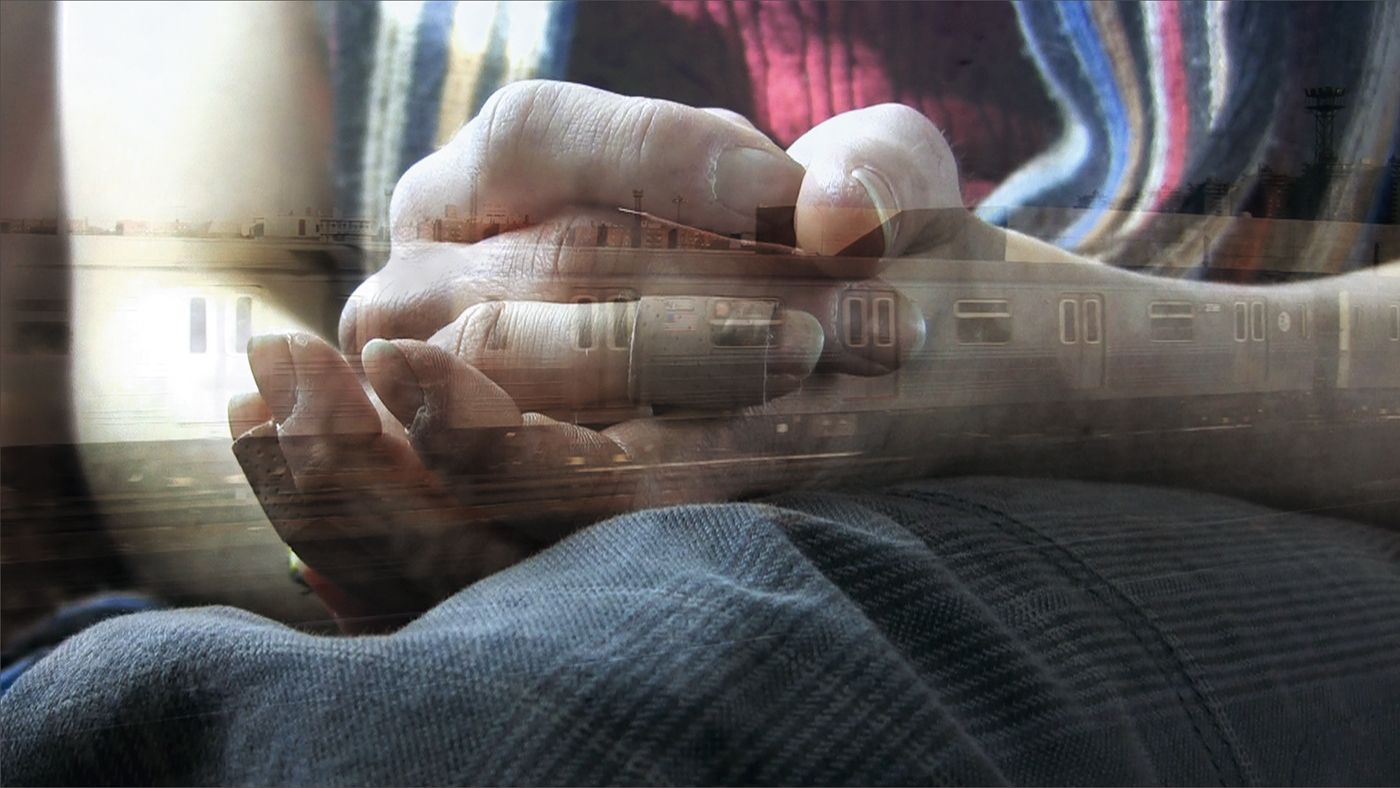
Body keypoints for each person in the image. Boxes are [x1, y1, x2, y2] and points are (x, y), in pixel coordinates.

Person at [5, 3, 1400, 784]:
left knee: (649, 681)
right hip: (376, 631)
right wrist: (393, 473)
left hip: (1278, 504)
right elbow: (169, 305)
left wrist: (1067, 366)